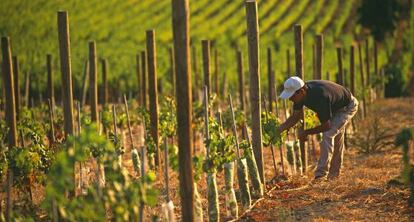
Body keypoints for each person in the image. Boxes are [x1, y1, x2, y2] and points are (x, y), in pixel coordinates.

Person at [277, 76, 359, 180]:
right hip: (335, 105)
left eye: (292, 96)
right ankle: (334, 176)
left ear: (301, 91)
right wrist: (280, 129)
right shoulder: (301, 95)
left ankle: (320, 175)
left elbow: (326, 126)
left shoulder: (320, 97)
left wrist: (306, 132)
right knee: (336, 137)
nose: (290, 99)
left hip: (347, 106)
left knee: (328, 134)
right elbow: (295, 117)